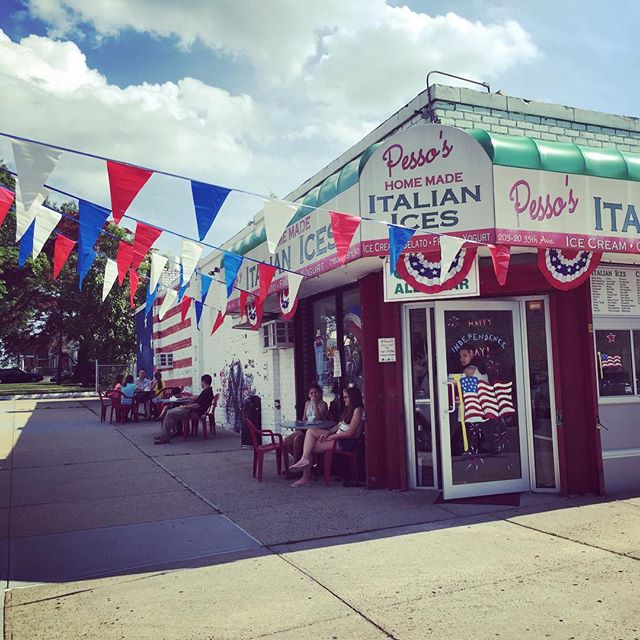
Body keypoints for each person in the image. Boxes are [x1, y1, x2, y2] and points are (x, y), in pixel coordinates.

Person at [289, 386, 365, 487]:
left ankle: (305, 475)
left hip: (346, 441)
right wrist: (328, 433)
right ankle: (305, 459)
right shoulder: (349, 410)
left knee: (309, 446)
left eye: (346, 397)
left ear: (353, 397)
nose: (344, 399)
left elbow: (350, 433)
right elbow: (339, 425)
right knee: (311, 432)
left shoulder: (358, 410)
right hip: (338, 437)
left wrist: (333, 437)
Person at [154, 374, 213, 444]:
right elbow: (200, 399)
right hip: (192, 410)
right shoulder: (208, 391)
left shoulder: (206, 392)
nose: (201, 383)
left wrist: (185, 407)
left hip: (193, 412)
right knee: (169, 410)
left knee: (170, 414)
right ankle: (164, 434)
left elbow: (197, 406)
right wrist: (190, 398)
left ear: (204, 382)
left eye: (201, 382)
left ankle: (165, 437)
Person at [284, 384, 328, 468]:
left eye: (316, 393)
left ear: (320, 393)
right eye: (311, 393)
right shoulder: (307, 403)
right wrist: (300, 423)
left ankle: (297, 464)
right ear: (308, 395)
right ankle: (299, 461)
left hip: (316, 431)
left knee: (297, 440)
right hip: (305, 429)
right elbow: (304, 418)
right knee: (286, 441)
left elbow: (319, 419)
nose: (313, 395)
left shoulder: (323, 404)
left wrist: (315, 404)